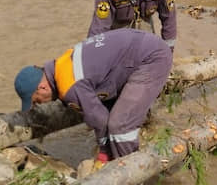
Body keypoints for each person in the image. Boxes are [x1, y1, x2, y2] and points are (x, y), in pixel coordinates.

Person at [14, 28, 172, 164]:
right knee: (115, 116)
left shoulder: (69, 85)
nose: (39, 105)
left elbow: (100, 120)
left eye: (36, 101)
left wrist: (104, 153)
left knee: (119, 125)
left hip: (151, 58)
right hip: (137, 49)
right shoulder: (60, 65)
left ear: (42, 87)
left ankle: (131, 178)